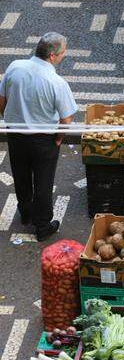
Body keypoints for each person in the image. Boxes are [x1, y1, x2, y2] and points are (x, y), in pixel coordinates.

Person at [0, 33, 77, 240]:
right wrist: (59, 139)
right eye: (62, 52)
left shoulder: (15, 67)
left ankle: (25, 212)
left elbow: (2, 99)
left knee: (21, 174)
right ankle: (42, 225)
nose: (64, 55)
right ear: (52, 56)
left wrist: (8, 120)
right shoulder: (57, 82)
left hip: (15, 134)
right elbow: (66, 118)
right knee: (43, 181)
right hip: (44, 140)